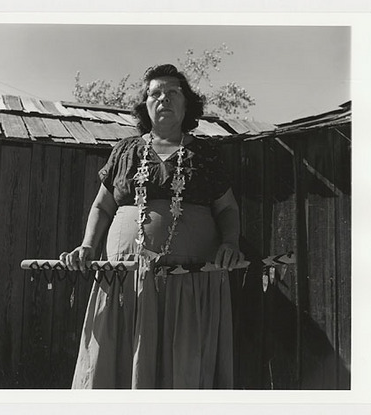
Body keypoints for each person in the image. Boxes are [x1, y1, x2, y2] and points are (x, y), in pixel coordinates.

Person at [60, 64, 244, 389]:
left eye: (173, 92)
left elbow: (227, 208)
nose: (163, 99)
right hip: (125, 284)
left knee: (183, 370)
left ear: (187, 104)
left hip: (191, 284)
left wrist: (229, 242)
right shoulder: (125, 151)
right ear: (144, 104)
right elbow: (103, 206)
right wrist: (88, 245)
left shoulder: (205, 155)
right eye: (155, 93)